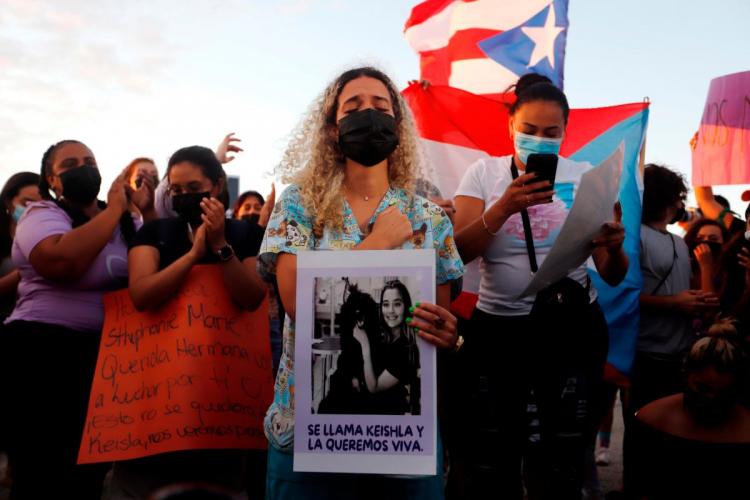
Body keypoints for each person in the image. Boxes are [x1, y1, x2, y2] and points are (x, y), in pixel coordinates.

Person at [260, 66, 464, 500]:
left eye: (380, 106)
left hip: (403, 436)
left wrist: (447, 333)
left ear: (398, 125)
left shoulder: (430, 219)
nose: (368, 114)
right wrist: (378, 242)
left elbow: (436, 321)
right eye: (352, 106)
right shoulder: (299, 206)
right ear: (333, 130)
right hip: (310, 432)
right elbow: (299, 303)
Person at [452, 73, 627, 500]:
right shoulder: (483, 173)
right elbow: (457, 250)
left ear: (566, 132)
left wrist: (615, 248)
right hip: (499, 333)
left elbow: (611, 272)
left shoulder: (590, 177)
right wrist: (505, 205)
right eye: (528, 131)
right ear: (511, 126)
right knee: (494, 451)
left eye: (551, 133)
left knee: (560, 454)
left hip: (570, 331)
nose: (540, 140)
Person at [109, 145, 266, 499]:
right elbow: (142, 294)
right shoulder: (155, 233)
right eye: (176, 191)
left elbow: (252, 297)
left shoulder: (245, 235)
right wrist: (194, 255)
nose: (184, 197)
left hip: (223, 391)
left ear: (217, 185)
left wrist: (220, 246)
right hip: (156, 390)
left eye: (193, 189)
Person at [3, 139, 153, 499]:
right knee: (42, 471)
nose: (83, 168)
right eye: (70, 164)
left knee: (88, 474)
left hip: (104, 360)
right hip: (42, 352)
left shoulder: (127, 220)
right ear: (52, 181)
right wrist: (114, 210)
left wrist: (138, 213)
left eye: (89, 160)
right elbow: (61, 263)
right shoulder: (41, 215)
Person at [632, 164, 720, 413]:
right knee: (645, 427)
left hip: (681, 356)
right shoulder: (633, 236)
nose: (682, 204)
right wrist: (673, 303)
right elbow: (619, 296)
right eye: (680, 197)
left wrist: (698, 300)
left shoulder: (680, 243)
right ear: (671, 199)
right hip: (646, 355)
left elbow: (684, 291)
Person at [630, 333, 750, 499]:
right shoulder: (653, 420)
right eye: (703, 388)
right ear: (686, 375)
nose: (712, 399)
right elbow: (638, 487)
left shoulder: (745, 428)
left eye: (723, 393)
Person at [0, 172, 41, 319]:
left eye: (40, 205)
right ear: (8, 202)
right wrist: (22, 272)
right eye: (26, 203)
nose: (33, 210)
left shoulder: (52, 238)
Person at [683, 219, 729, 295]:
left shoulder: (727, 272)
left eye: (713, 239)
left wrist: (706, 266)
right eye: (699, 239)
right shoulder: (685, 266)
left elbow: (709, 303)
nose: (705, 242)